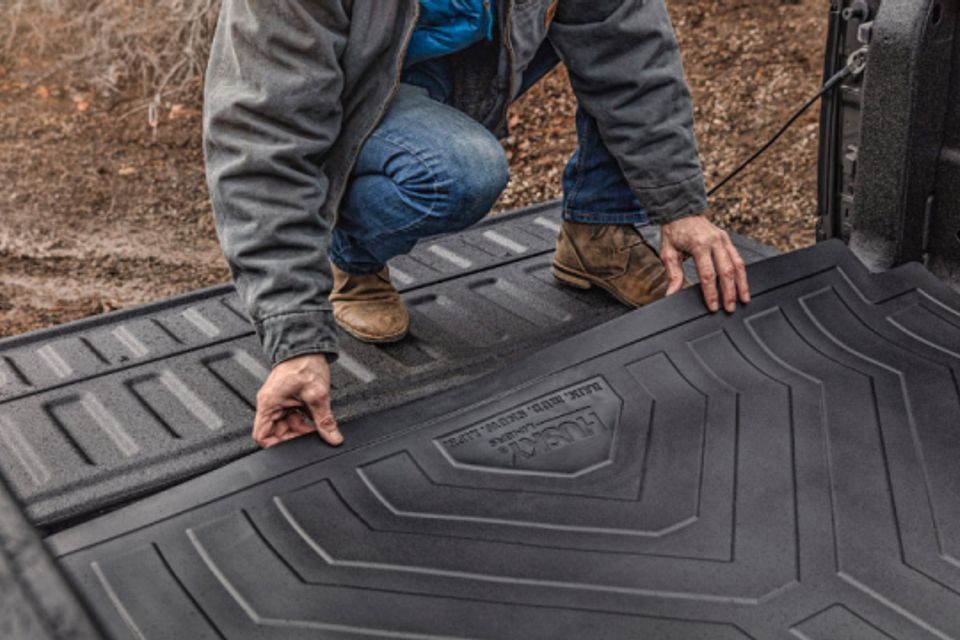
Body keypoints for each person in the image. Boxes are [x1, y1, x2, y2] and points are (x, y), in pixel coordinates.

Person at [203, 0, 751, 449]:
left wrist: (679, 207)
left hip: (470, 57)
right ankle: (351, 255)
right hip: (356, 85)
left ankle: (598, 229)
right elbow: (262, 141)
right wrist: (296, 335)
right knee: (458, 172)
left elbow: (630, 49)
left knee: (605, 31)